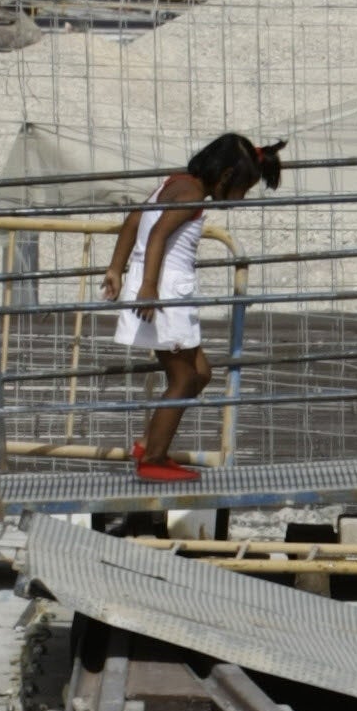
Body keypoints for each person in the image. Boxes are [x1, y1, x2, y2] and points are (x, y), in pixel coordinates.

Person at [104, 132, 283, 479]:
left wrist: (115, 268)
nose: (239, 199)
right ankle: (153, 459)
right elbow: (156, 235)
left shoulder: (176, 183)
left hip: (166, 291)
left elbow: (134, 221)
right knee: (184, 377)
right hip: (164, 294)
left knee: (201, 374)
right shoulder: (190, 194)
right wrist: (149, 288)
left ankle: (149, 444)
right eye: (241, 190)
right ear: (226, 176)